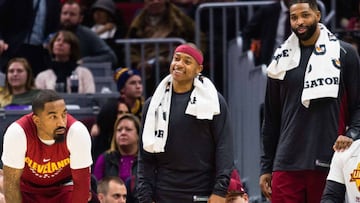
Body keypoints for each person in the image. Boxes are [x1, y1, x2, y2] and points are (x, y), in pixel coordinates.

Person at [260, 0, 360, 202]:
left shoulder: (345, 53)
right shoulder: (280, 60)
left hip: (330, 161)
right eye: (294, 17)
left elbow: (358, 106)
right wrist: (266, 166)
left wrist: (351, 133)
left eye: (305, 15)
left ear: (318, 16)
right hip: (286, 162)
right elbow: (271, 118)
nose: (299, 22)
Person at [137, 43, 234, 202]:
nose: (179, 64)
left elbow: (224, 147)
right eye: (176, 59)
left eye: (187, 61)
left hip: (202, 192)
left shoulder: (214, 102)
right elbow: (145, 157)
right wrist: (145, 197)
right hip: (164, 192)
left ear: (199, 69)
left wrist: (220, 190)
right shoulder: (153, 104)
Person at [1, 89, 93, 202]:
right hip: (27, 189)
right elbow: (11, 184)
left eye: (64, 114)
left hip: (64, 188)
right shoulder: (17, 132)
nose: (61, 123)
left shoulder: (77, 132)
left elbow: (81, 185)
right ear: (37, 120)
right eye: (53, 117)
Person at [125, 0, 205, 95]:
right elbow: (131, 47)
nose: (155, 2)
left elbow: (199, 37)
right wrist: (138, 62)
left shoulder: (179, 17)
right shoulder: (138, 21)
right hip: (146, 61)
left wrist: (195, 55)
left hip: (171, 60)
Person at [0, 0, 61, 76]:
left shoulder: (53, 2)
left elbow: (55, 26)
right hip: (15, 48)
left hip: (40, 51)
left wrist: (49, 40)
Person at [54, 0, 118, 67]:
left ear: (80, 18)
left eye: (72, 14)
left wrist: (84, 61)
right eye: (65, 13)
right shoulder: (53, 33)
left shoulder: (87, 34)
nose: (67, 17)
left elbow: (110, 57)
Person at [93, 113, 139, 186]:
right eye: (119, 130)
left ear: (138, 135)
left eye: (128, 129)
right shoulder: (104, 159)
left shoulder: (145, 160)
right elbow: (97, 188)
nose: (123, 133)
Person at [242, 0, 292, 66]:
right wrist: (250, 57)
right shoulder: (268, 11)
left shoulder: (306, 13)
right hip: (271, 63)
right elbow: (247, 32)